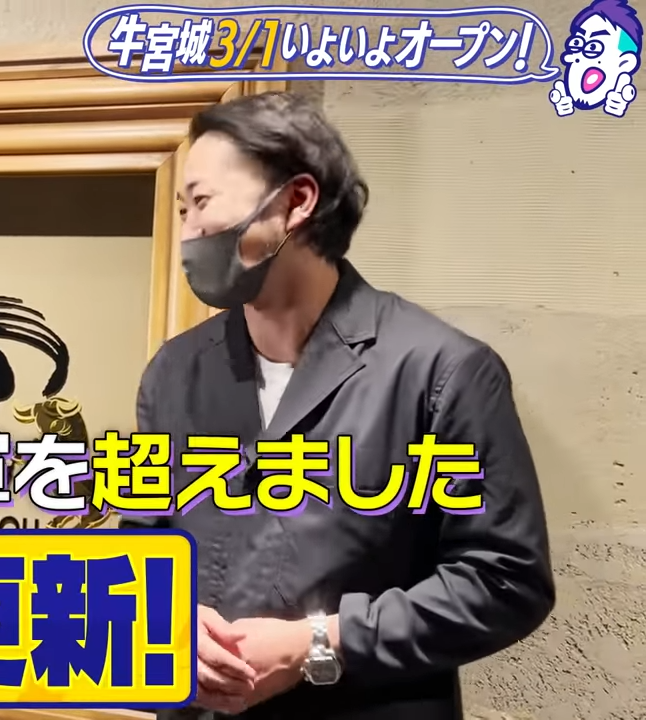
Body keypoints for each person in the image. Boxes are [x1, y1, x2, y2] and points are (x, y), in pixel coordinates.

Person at [128, 92, 555, 720]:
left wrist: (317, 643)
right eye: (182, 210)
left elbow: (506, 579)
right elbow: (140, 546)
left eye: (203, 202)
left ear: (296, 201)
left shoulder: (441, 371)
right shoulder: (174, 371)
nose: (188, 233)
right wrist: (164, 621)